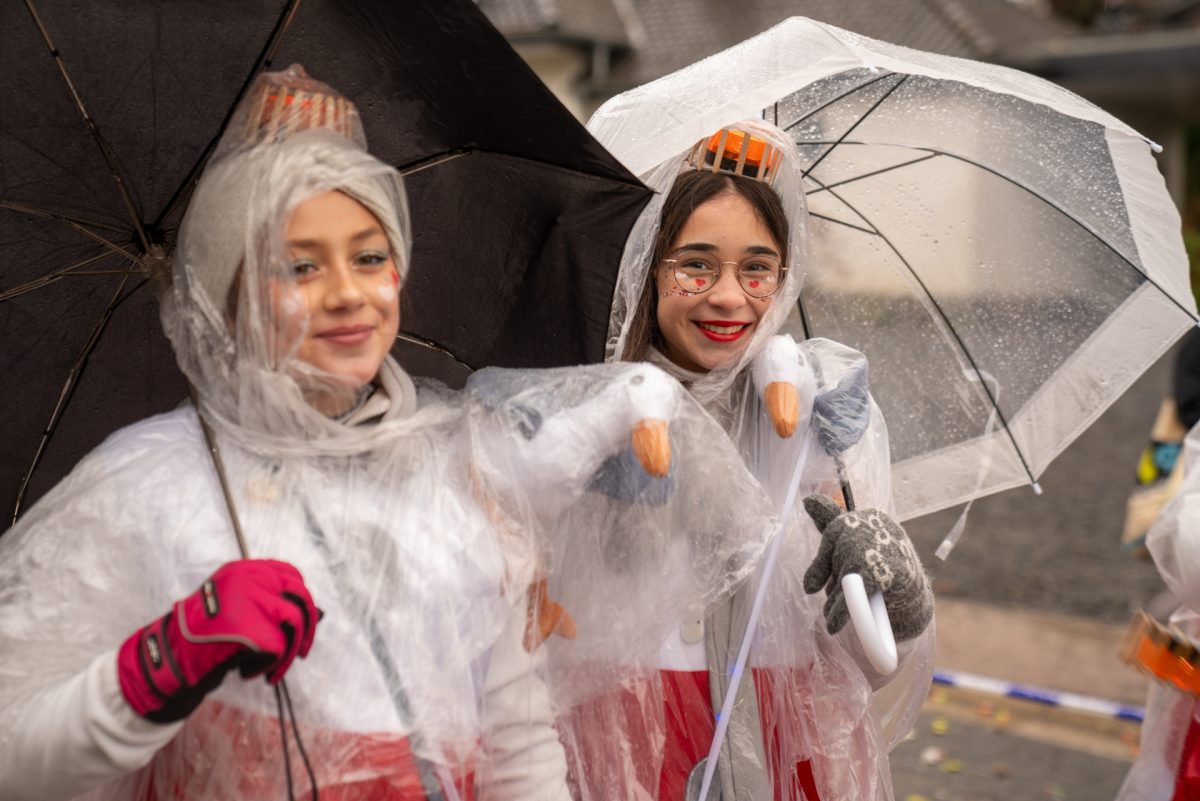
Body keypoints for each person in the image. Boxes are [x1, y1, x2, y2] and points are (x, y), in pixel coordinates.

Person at [0, 67, 576, 801]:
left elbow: (517, 742)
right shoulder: (142, 489)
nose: (347, 293)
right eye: (299, 266)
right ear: (227, 297)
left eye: (369, 256)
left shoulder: (458, 475)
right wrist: (162, 662)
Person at [548, 121, 936, 800]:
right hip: (620, 758)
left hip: (781, 759)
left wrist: (895, 598)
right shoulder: (583, 418)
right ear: (648, 266)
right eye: (696, 264)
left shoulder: (823, 420)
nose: (728, 297)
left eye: (756, 268)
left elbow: (862, 671)